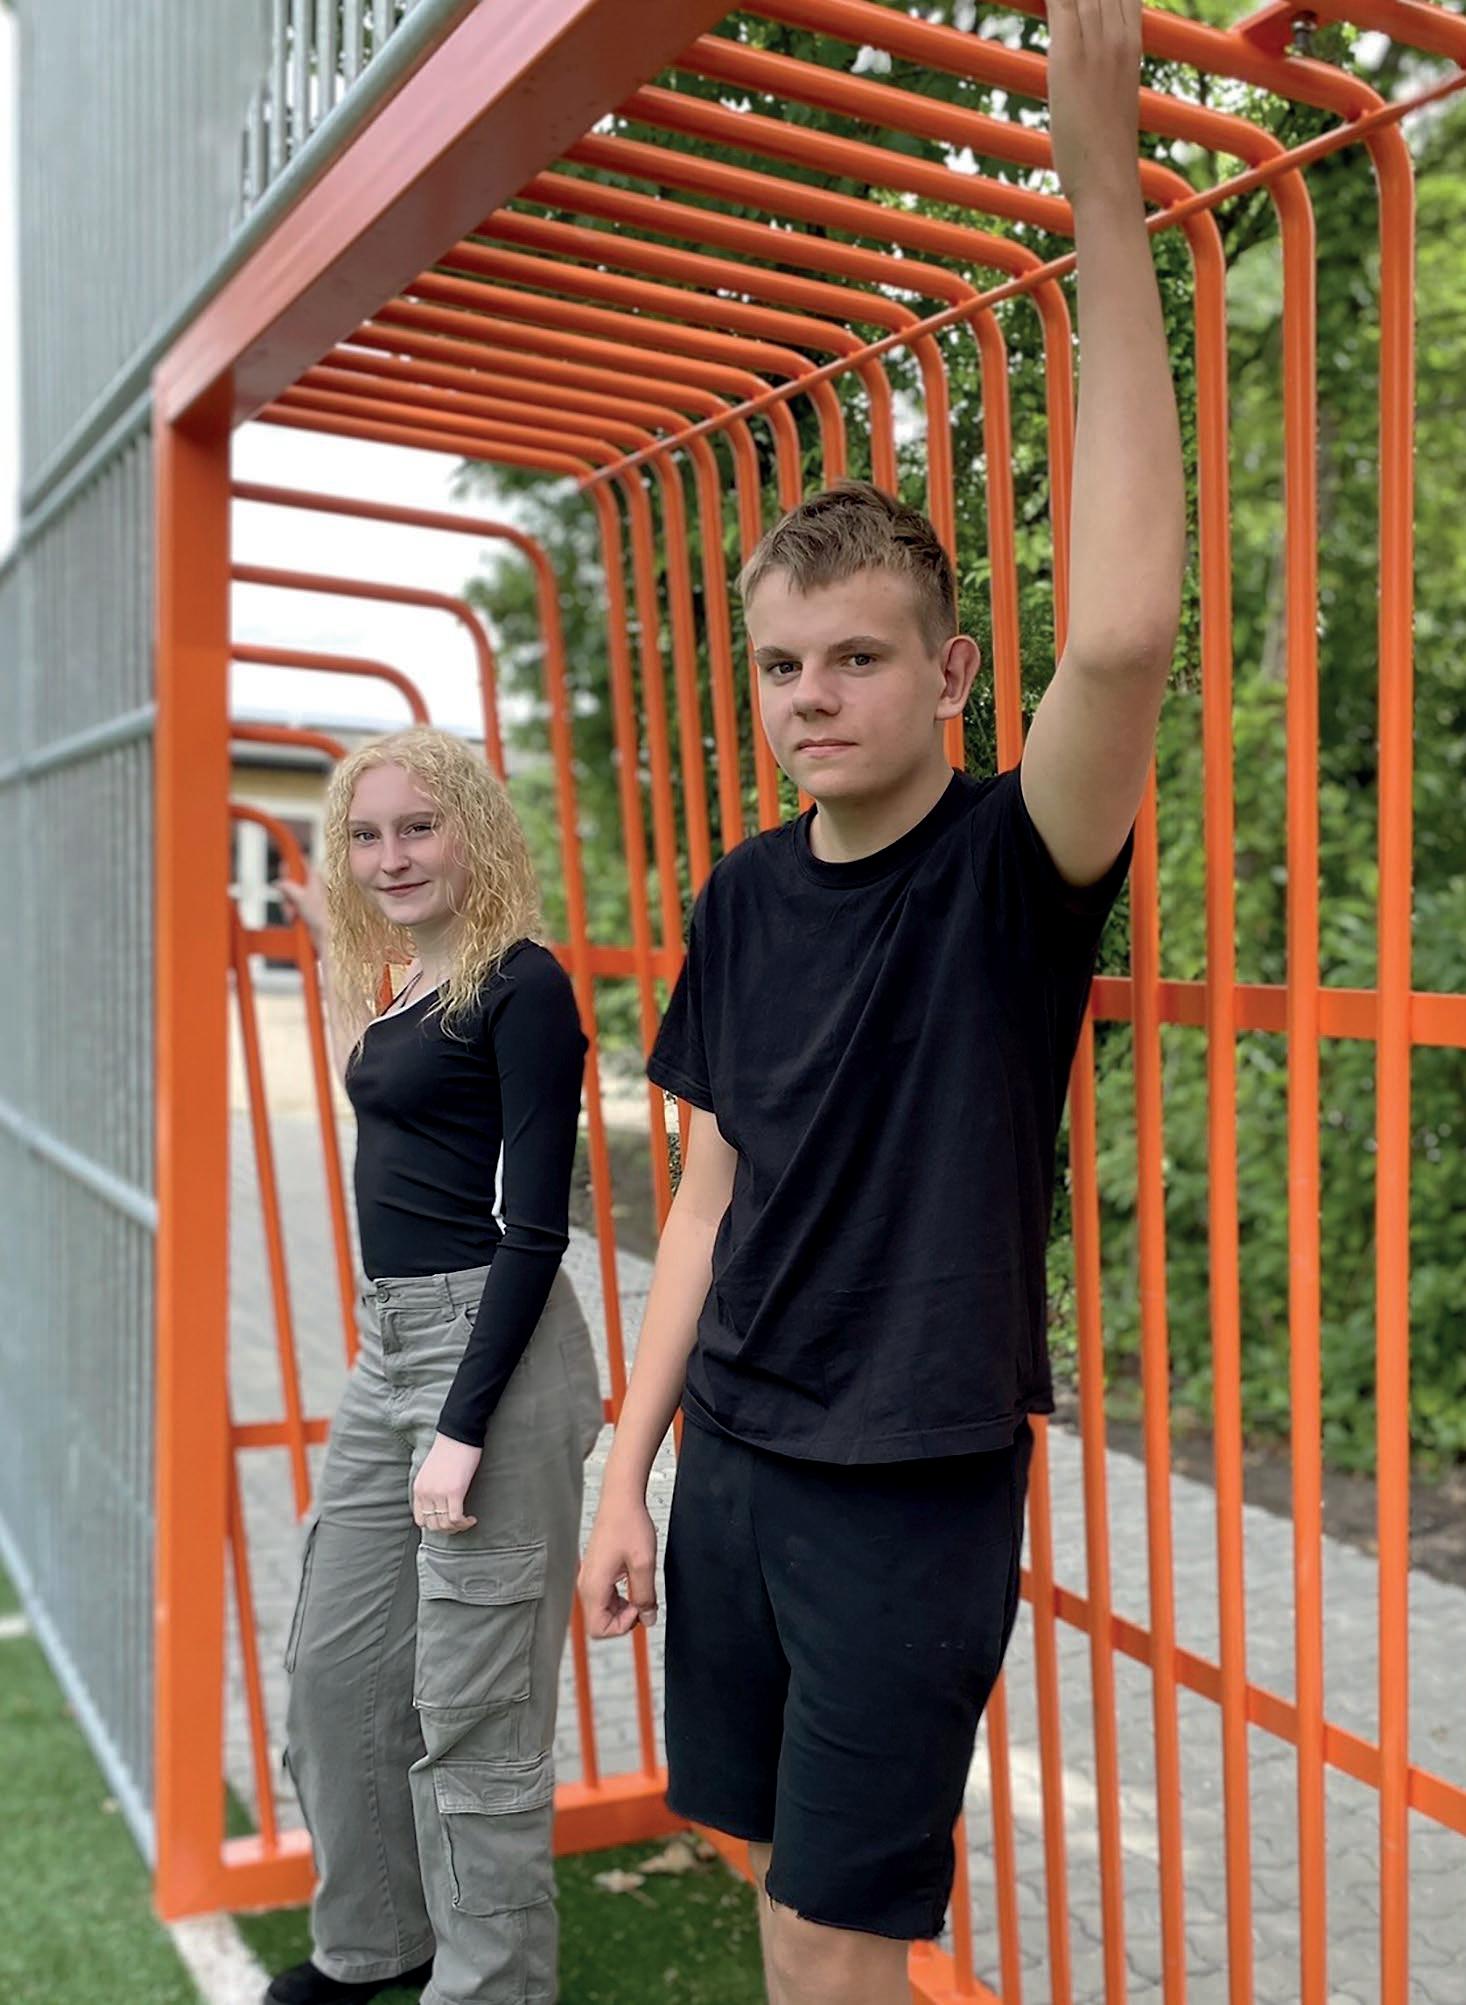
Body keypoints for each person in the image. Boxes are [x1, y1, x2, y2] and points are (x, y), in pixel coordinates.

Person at [577, 1, 1186, 1999]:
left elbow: (1124, 634)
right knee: (782, 1890)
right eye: (782, 665)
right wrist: (625, 1473)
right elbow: (707, 1199)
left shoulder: (1013, 865)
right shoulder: (744, 897)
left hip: (907, 1481)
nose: (812, 696)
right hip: (735, 1462)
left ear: (947, 675)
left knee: (844, 1932)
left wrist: (1097, 180)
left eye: (856, 658)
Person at [267, 727, 603, 2005]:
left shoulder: (523, 985)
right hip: (388, 1345)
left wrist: (462, 1427)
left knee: (473, 1717)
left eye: (419, 826)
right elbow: (400, 1088)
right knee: (336, 1672)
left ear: (475, 828)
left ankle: (491, 1987)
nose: (390, 855)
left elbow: (534, 1228)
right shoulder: (414, 980)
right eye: (365, 835)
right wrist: (326, 926)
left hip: (490, 1356)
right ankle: (378, 1945)